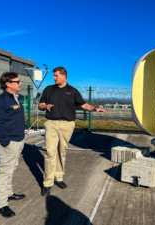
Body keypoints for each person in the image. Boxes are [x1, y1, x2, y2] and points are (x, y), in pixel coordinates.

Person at [38, 67, 107, 196]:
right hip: (51, 123)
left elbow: (83, 104)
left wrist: (94, 109)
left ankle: (58, 177)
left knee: (61, 151)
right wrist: (45, 106)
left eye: (56, 76)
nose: (54, 78)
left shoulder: (72, 91)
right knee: (49, 152)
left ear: (64, 76)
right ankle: (47, 183)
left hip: (67, 125)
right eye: (54, 76)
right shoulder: (49, 89)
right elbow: (40, 105)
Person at [0, 72, 26, 218]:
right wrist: (5, 143)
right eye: (17, 81)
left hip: (18, 140)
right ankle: (2, 204)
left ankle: (9, 193)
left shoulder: (15, 98)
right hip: (9, 143)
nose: (20, 84)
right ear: (8, 84)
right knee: (4, 173)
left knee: (12, 168)